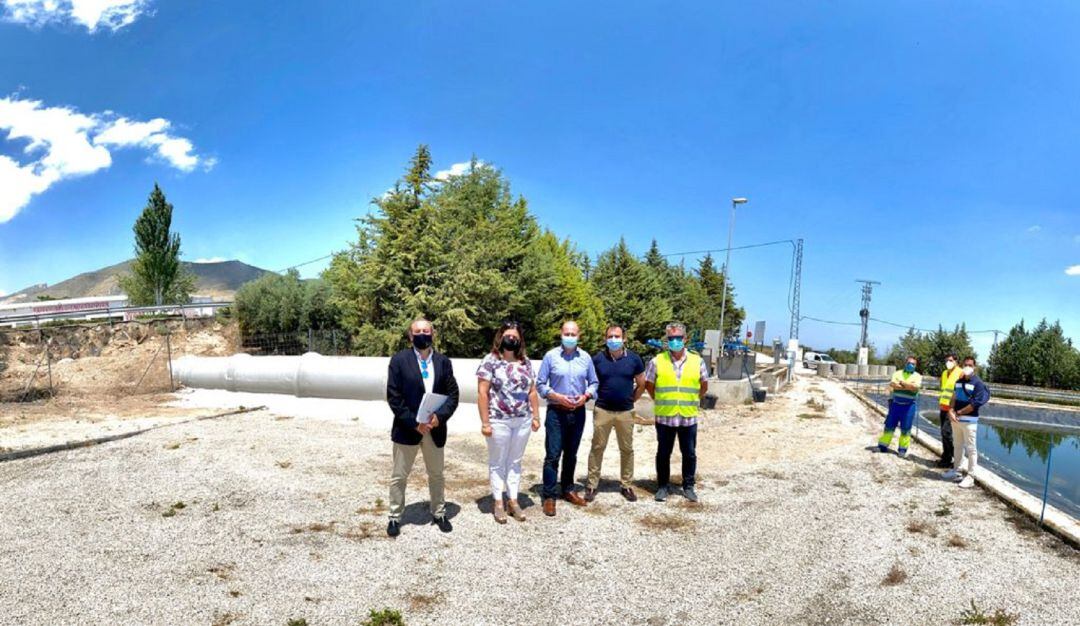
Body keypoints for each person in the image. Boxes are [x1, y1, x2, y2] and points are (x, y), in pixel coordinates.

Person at [385, 318, 460, 537]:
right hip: (407, 428)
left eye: (426, 331)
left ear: (433, 334)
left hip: (435, 428)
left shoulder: (443, 362)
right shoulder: (399, 360)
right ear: (410, 336)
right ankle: (394, 517)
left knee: (436, 474)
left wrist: (440, 417)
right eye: (417, 331)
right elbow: (394, 396)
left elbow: (453, 395)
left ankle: (438, 512)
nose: (422, 334)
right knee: (399, 476)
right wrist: (413, 422)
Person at [476, 321, 541, 523]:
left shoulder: (526, 362)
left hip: (522, 420)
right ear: (500, 338)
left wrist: (536, 416)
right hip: (498, 421)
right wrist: (485, 422)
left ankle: (513, 500)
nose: (511, 339)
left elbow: (532, 391)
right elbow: (482, 393)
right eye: (507, 335)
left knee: (515, 461)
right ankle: (497, 502)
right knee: (498, 462)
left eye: (515, 336)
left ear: (520, 340)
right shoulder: (490, 361)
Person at [536, 320, 599, 516]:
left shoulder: (586, 358)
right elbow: (540, 384)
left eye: (573, 333)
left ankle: (568, 489)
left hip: (577, 413)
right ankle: (549, 496)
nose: (570, 336)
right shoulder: (550, 356)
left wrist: (586, 396)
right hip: (556, 412)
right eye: (567, 333)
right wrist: (556, 396)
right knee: (553, 455)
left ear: (579, 335)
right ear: (561, 334)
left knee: (571, 454)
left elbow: (594, 382)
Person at [644, 322, 708, 503]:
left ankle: (688, 487)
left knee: (689, 453)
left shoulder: (697, 361)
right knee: (663, 453)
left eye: (678, 338)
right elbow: (649, 384)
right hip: (665, 417)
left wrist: (693, 399)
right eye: (671, 338)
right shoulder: (657, 361)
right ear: (667, 340)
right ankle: (663, 487)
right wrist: (660, 399)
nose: (675, 341)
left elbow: (703, 385)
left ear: (685, 339)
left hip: (688, 416)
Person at [585, 324, 646, 502]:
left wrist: (632, 400)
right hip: (602, 410)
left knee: (626, 449)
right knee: (597, 448)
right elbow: (590, 382)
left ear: (624, 339)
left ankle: (626, 485)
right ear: (605, 339)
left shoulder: (634, 359)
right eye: (610, 337)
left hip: (626, 412)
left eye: (617, 336)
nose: (613, 340)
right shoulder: (597, 359)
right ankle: (591, 485)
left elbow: (641, 383)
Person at [942, 357, 991, 488]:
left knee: (971, 449)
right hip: (956, 420)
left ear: (975, 367)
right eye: (965, 365)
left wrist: (958, 413)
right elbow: (954, 397)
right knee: (957, 445)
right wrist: (950, 410)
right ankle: (956, 470)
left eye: (970, 365)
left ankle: (971, 477)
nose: (967, 367)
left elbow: (974, 404)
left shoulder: (978, 383)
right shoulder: (958, 381)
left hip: (969, 421)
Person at [876, 356, 922, 457]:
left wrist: (902, 383)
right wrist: (908, 386)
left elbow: (915, 388)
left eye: (913, 364)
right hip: (895, 405)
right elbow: (893, 384)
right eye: (909, 363)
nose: (911, 365)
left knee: (906, 428)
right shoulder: (897, 373)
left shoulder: (918, 376)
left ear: (916, 365)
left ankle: (902, 450)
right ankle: (882, 446)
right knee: (889, 426)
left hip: (909, 406)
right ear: (905, 363)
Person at [936, 354, 963, 467]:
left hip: (952, 409)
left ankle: (953, 459)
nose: (948, 362)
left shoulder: (960, 373)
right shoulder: (944, 373)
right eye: (946, 360)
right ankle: (946, 457)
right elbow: (943, 388)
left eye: (951, 360)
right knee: (944, 434)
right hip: (943, 407)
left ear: (956, 361)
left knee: (947, 433)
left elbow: (961, 392)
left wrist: (956, 409)